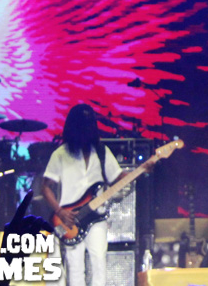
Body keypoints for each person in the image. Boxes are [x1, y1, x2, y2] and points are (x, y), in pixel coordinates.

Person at [41, 104, 146, 286]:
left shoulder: (102, 152)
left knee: (99, 262)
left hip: (96, 217)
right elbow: (45, 187)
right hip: (70, 219)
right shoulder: (60, 154)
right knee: (75, 267)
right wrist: (60, 211)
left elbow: (118, 177)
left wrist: (143, 169)